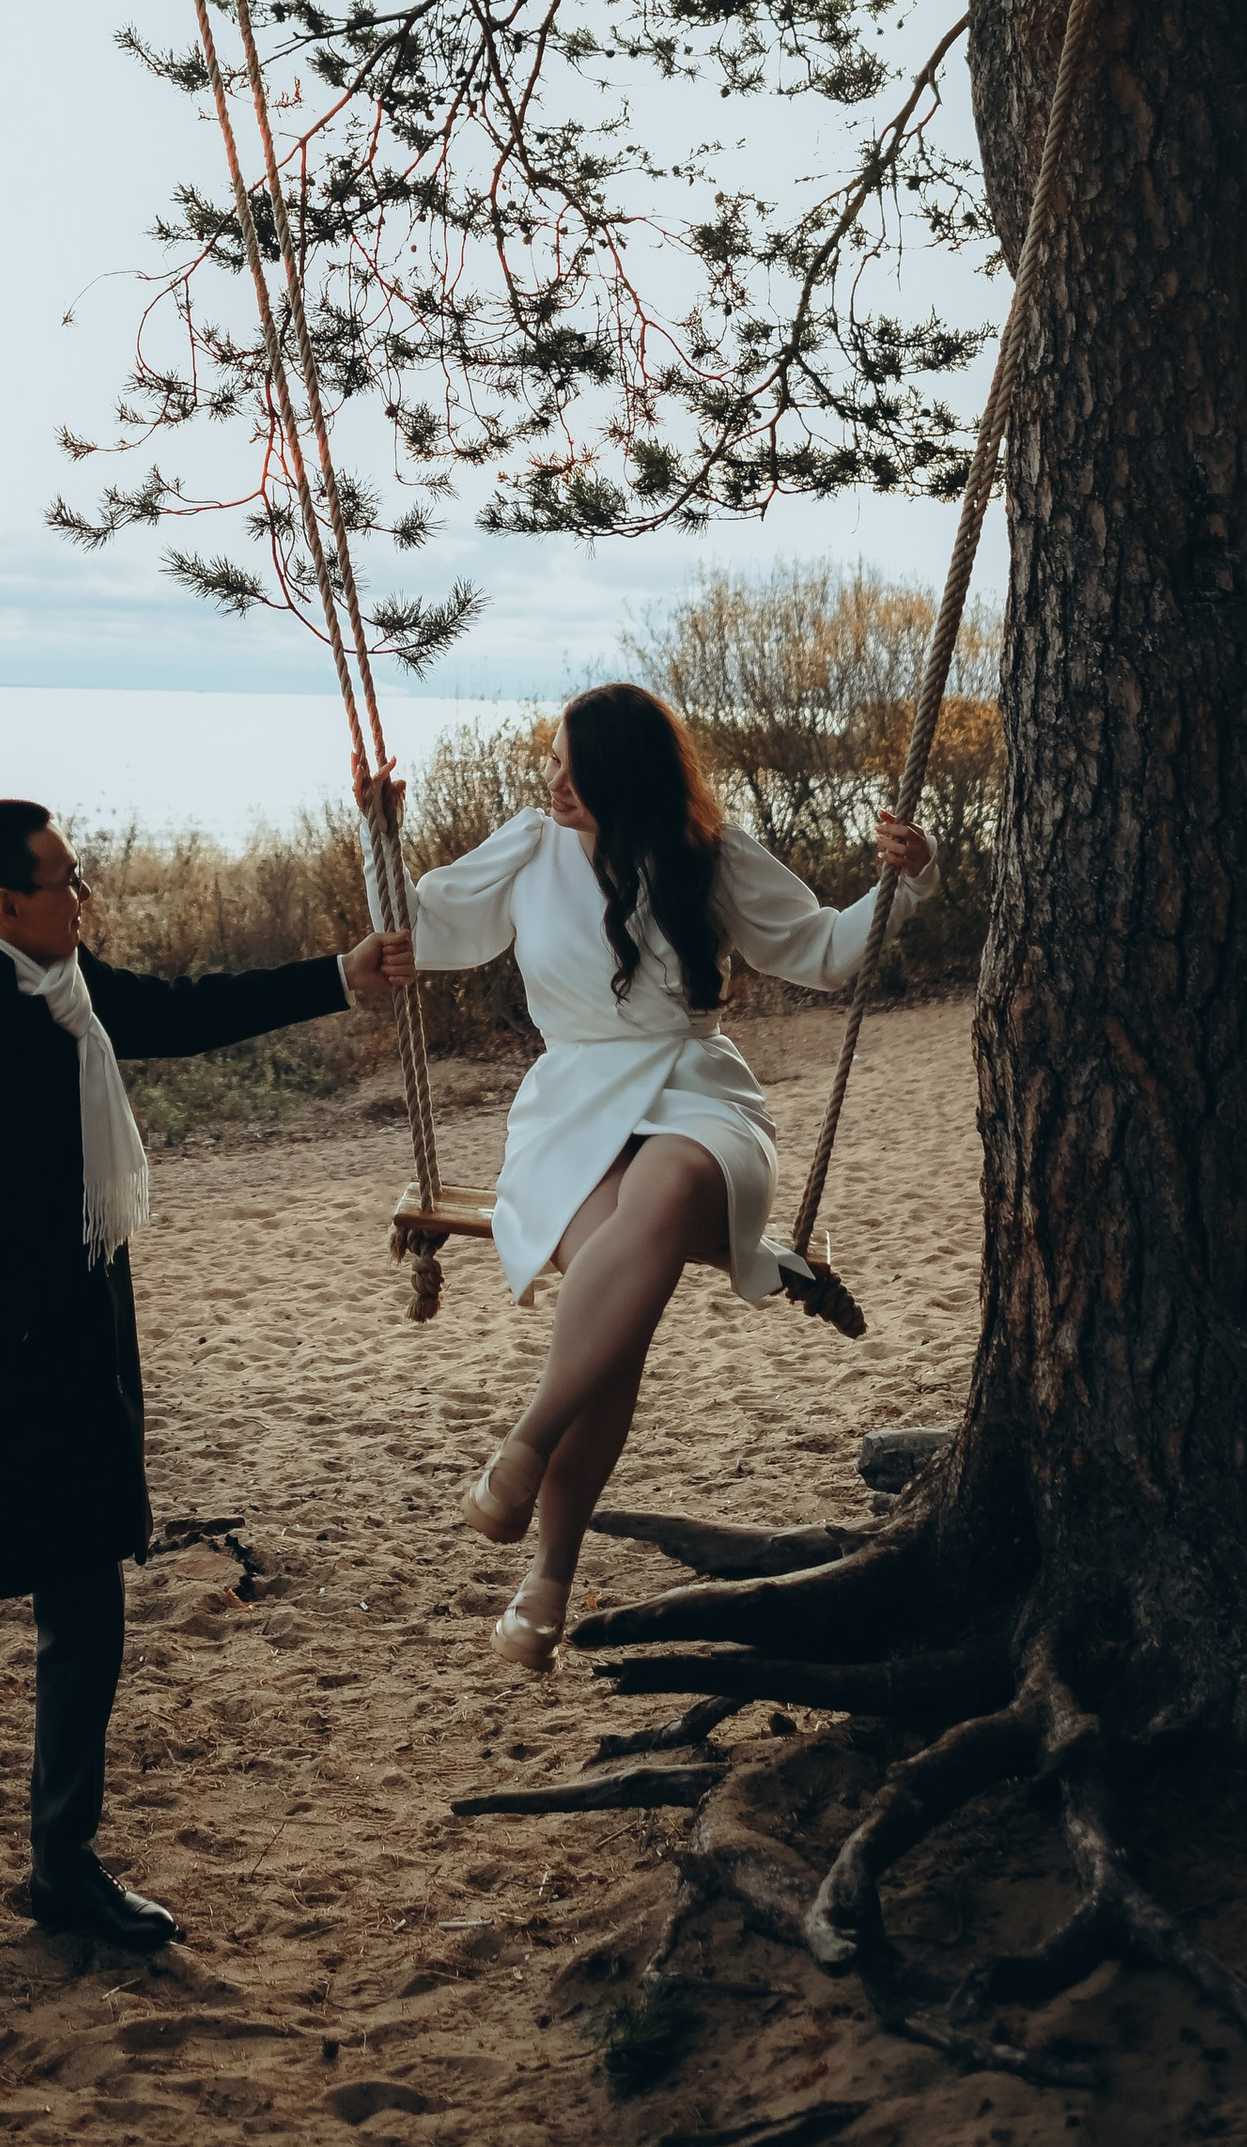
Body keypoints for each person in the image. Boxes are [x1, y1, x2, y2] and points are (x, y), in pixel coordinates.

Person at [0, 791, 409, 2023]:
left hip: (88, 1361)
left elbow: (189, 1012)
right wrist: (0, 1309)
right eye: (65, 880)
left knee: (86, 1615)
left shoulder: (73, 994)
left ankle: (63, 1866)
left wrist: (340, 974)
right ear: (4, 906)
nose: (81, 897)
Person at [363, 682, 935, 1672]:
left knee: (664, 1193)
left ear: (626, 774)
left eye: (572, 767)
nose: (552, 781)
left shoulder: (708, 854)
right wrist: (381, 835)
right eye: (550, 761)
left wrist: (906, 879)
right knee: (613, 1314)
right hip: (570, 1109)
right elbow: (419, 936)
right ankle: (549, 1575)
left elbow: (825, 951)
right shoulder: (531, 847)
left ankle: (526, 1442)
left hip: (697, 1094)